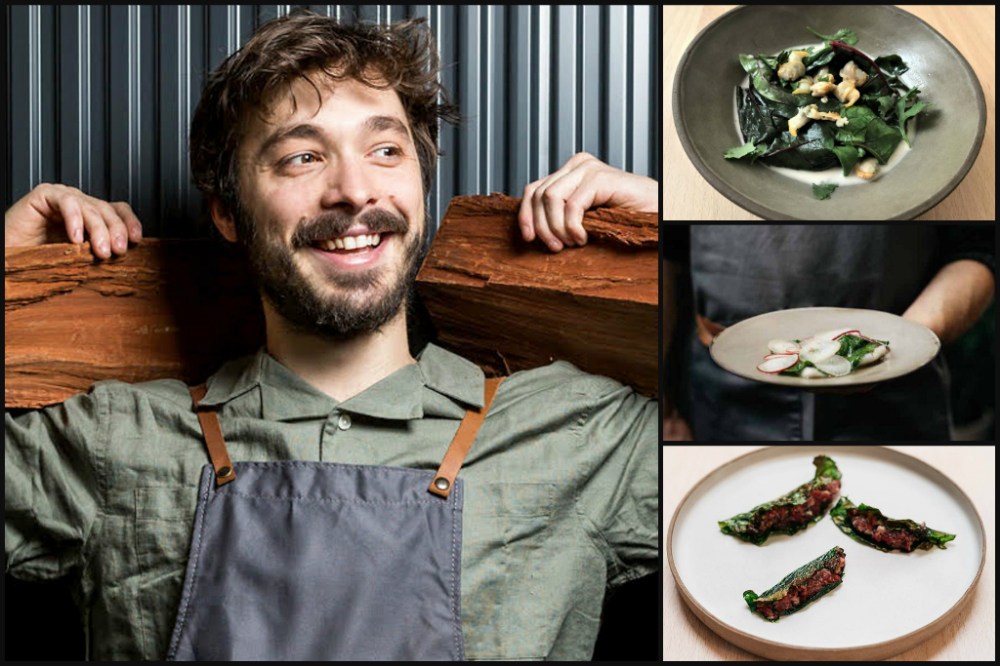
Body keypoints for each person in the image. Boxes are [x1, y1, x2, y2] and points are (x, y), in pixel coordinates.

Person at [4, 12, 658, 662]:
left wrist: (678, 223)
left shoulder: (580, 434)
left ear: (421, 187)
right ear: (228, 213)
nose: (353, 190)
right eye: (302, 156)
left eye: (385, 150)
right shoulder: (114, 440)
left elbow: (758, 415)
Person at [662, 224, 995, 441]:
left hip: (896, 403)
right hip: (719, 401)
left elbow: (977, 250)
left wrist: (906, 344)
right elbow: (668, 256)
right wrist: (664, 407)